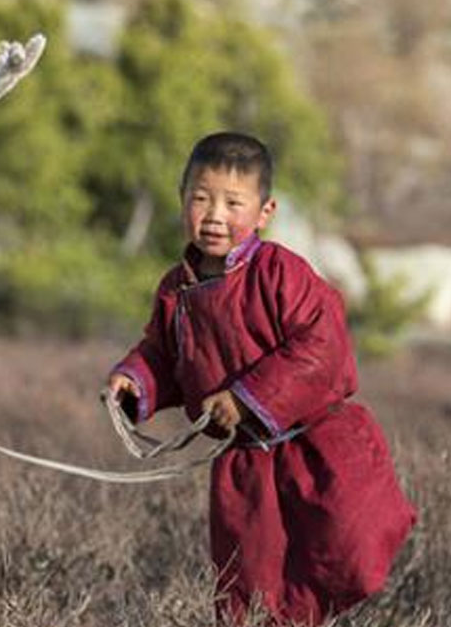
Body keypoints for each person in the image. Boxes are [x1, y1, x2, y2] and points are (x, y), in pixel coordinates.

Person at [106, 131, 417, 626]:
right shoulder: (175, 289)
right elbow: (166, 354)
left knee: (353, 556)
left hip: (318, 449)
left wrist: (248, 398)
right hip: (244, 468)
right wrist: (135, 383)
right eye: (201, 198)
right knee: (251, 600)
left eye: (233, 203)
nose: (214, 216)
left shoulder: (281, 272)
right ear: (182, 199)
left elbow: (323, 346)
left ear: (264, 212)